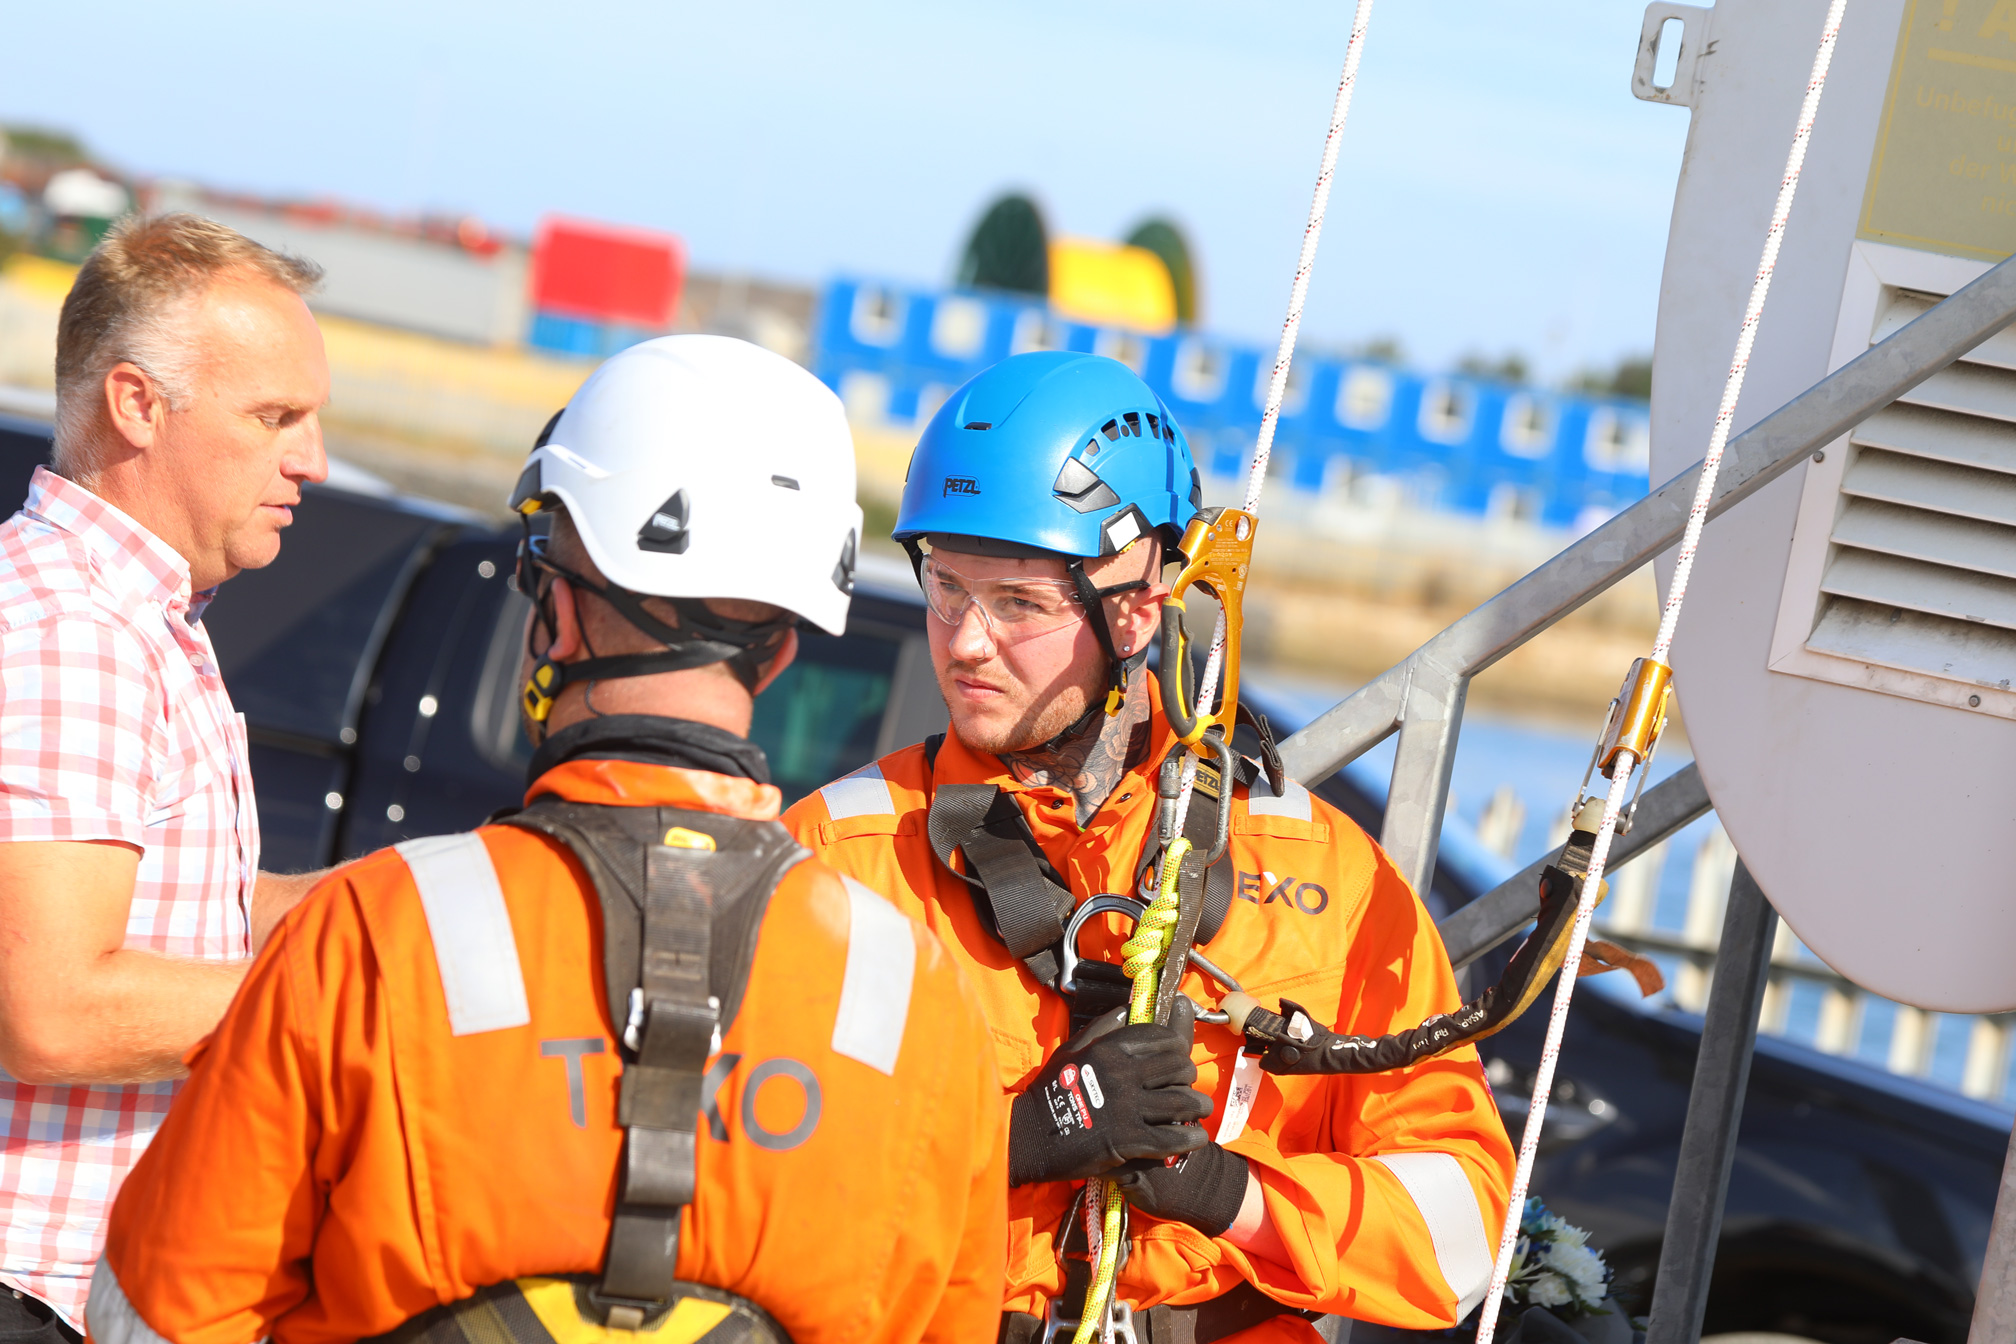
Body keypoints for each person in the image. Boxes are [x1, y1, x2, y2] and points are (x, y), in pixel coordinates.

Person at [87, 336, 1006, 1344]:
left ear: (558, 614)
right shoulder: (921, 1003)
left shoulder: (374, 935)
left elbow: (157, 1314)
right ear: (784, 650)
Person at [783, 351, 1516, 1341]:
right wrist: (1004, 1147)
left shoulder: (1324, 878)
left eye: (1019, 604)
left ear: (1135, 606)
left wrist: (1228, 1195)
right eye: (947, 587)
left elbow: (1464, 1227)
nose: (962, 641)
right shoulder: (841, 861)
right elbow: (752, 1191)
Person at [0, 213, 335, 1338]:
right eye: (275, 416)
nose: (313, 459)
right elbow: (51, 1004)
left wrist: (415, 906)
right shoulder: (69, 630)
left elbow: (179, 911)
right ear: (138, 405)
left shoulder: (139, 620)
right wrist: (360, 997)